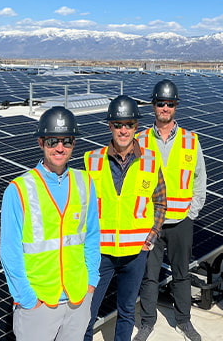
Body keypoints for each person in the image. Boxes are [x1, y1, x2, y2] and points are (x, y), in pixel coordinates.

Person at [0, 106, 101, 341]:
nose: (59, 147)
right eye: (53, 140)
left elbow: (92, 237)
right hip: (39, 302)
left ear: (74, 143)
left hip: (78, 298)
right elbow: (9, 251)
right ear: (41, 142)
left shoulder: (85, 181)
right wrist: (26, 298)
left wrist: (91, 282)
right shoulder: (19, 189)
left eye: (67, 141)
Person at [83, 95, 167, 341]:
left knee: (128, 311)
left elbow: (160, 202)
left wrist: (149, 239)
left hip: (135, 254)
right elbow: (84, 207)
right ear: (110, 126)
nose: (123, 130)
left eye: (128, 124)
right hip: (101, 254)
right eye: (118, 124)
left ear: (136, 127)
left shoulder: (151, 161)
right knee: (88, 313)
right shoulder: (92, 160)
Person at [134, 80, 207, 341]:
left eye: (170, 104)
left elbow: (200, 180)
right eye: (161, 103)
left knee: (181, 273)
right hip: (151, 223)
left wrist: (192, 213)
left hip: (181, 222)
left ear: (176, 107)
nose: (165, 108)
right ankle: (147, 322)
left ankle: (184, 320)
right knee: (149, 276)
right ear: (153, 105)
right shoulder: (139, 140)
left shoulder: (190, 140)